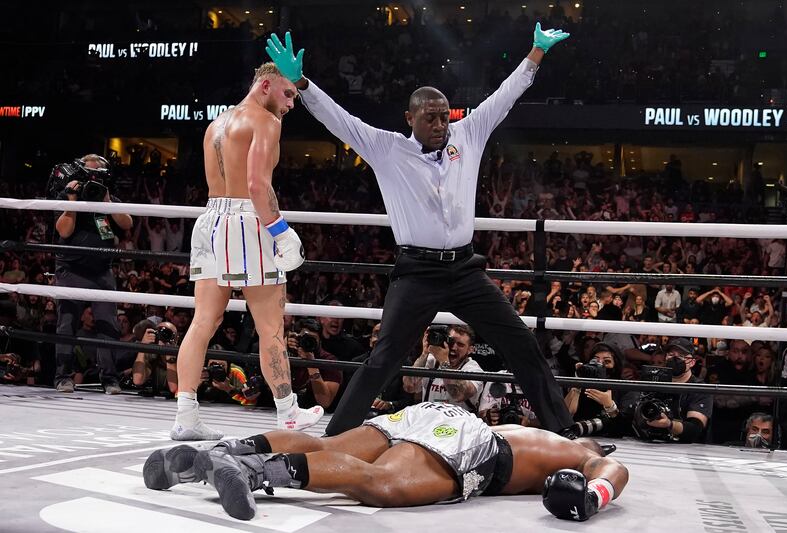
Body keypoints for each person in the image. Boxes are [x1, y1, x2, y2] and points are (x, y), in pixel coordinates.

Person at [265, 25, 574, 436]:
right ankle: (335, 437)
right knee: (384, 358)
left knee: (521, 342)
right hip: (417, 273)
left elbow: (505, 96)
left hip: (465, 270)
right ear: (410, 118)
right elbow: (339, 120)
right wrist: (302, 83)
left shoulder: (468, 135)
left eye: (445, 115)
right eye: (430, 117)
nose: (441, 123)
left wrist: (535, 52)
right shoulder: (387, 148)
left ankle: (567, 433)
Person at [144, 401, 628, 522]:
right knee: (385, 485)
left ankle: (219, 454)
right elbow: (616, 471)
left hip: (427, 415)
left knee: (327, 448)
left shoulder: (532, 432)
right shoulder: (580, 451)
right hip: (471, 442)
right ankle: (253, 473)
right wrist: (592, 496)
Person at [170, 62, 323, 441]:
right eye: (289, 93)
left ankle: (186, 417)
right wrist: (281, 230)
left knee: (203, 322)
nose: (291, 104)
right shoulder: (266, 122)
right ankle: (288, 413)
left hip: (210, 220)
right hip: (246, 222)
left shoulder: (215, 124)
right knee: (271, 326)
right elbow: (256, 185)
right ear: (266, 85)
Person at [52, 154, 132, 394]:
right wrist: (73, 201)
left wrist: (107, 202)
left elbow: (127, 223)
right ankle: (62, 376)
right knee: (66, 323)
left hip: (102, 269)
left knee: (108, 324)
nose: (94, 177)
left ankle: (110, 378)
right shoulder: (66, 195)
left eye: (98, 173)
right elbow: (64, 231)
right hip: (71, 268)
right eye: (90, 172)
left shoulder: (107, 198)